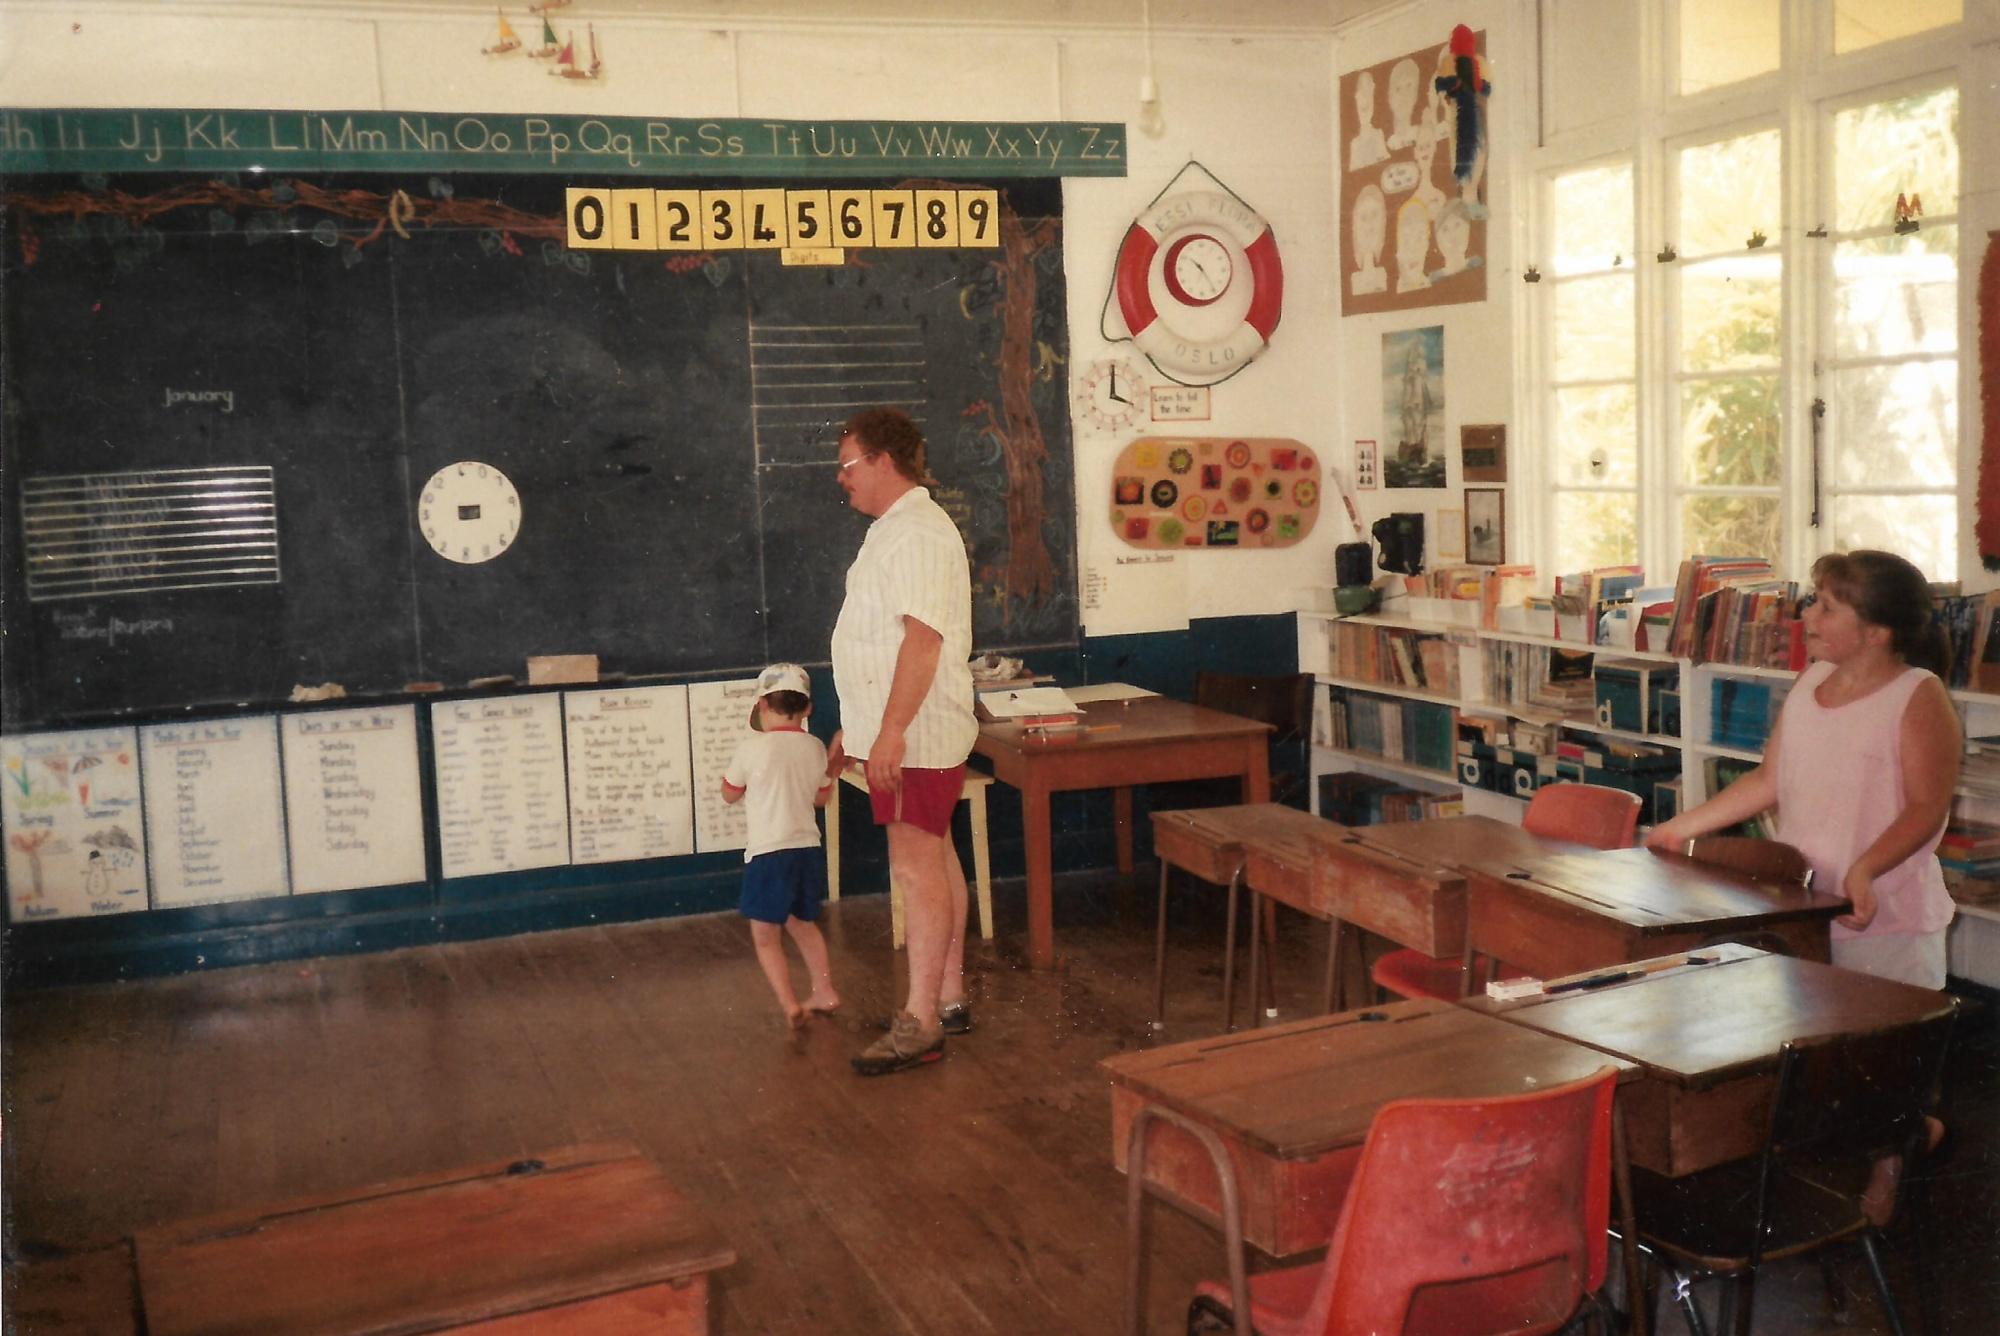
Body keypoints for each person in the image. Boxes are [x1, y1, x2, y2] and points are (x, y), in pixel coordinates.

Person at [1645, 549, 1956, 1223]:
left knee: (1885, 1059)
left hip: (1884, 909)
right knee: (1818, 1047)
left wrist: (1868, 868)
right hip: (1805, 903)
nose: (1806, 614)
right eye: (1813, 599)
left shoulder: (1917, 696)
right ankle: (1890, 1135)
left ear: (1876, 632)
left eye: (1825, 606)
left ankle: (1896, 1155)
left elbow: (1927, 807)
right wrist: (1677, 830)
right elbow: (1767, 782)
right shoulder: (1812, 682)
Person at [829, 407, 979, 1076]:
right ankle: (947, 997)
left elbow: (922, 642)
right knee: (936, 855)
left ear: (885, 462)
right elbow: (879, 640)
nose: (842, 479)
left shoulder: (917, 532)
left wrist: (887, 733)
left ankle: (919, 1022)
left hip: (916, 734)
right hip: (905, 728)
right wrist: (856, 728)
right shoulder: (897, 529)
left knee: (916, 869)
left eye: (848, 464)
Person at [721, 663, 843, 1031]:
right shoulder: (814, 746)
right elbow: (822, 799)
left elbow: (728, 794)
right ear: (807, 709)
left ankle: (790, 1004)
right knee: (803, 924)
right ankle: (824, 991)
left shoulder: (750, 748)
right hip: (806, 849)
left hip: (768, 853)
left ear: (761, 706)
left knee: (765, 938)